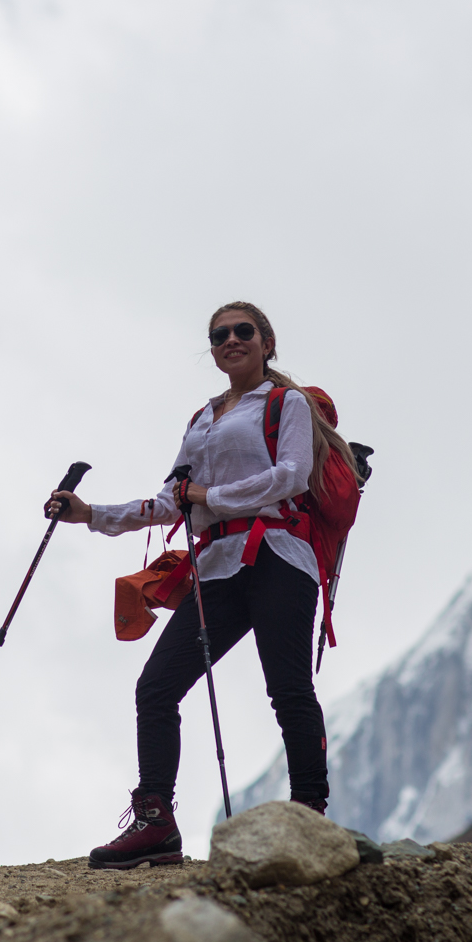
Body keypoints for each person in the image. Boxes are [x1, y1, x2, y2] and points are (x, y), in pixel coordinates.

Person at [47, 302, 359, 869]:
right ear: (212, 348)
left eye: (244, 331)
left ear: (267, 342)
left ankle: (308, 815)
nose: (231, 340)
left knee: (287, 689)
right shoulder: (201, 419)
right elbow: (171, 501)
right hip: (219, 563)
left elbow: (290, 475)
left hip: (278, 553)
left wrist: (209, 499)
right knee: (157, 688)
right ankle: (155, 822)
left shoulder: (288, 403)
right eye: (220, 335)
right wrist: (91, 513)